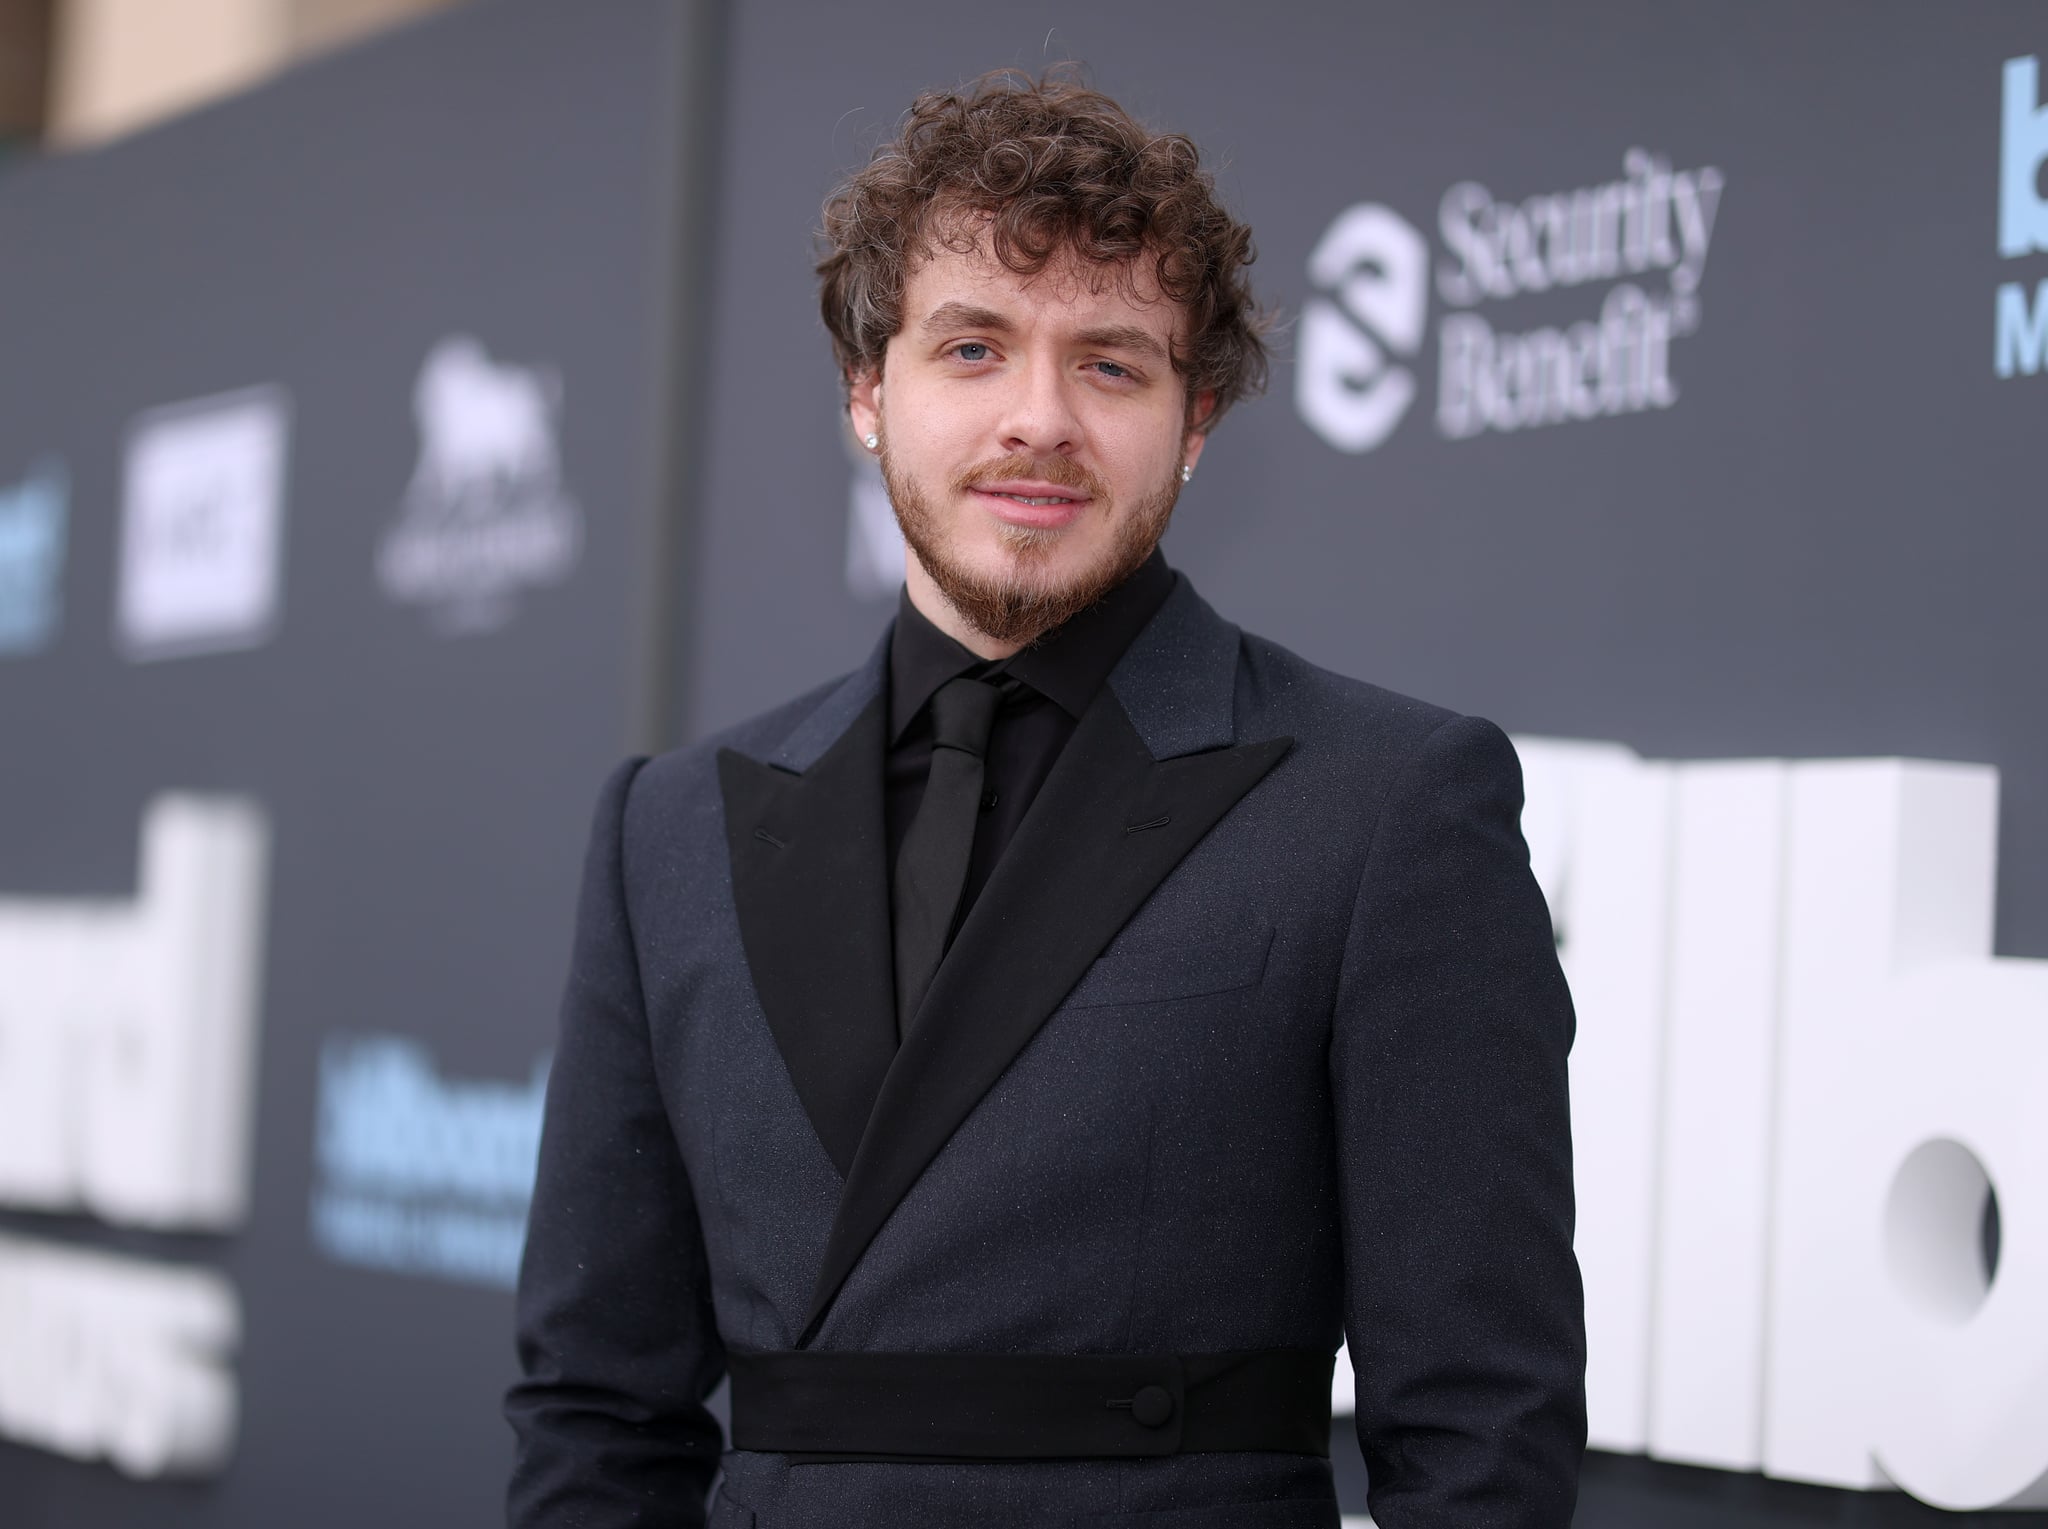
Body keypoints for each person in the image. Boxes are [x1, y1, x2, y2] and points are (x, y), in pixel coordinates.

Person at [506, 69, 1584, 1529]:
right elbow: (595, 1414)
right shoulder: (672, 829)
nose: (1040, 420)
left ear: (1195, 423)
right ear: (867, 393)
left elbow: (1482, 1440)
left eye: (1113, 364)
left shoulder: (1389, 806)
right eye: (973, 348)